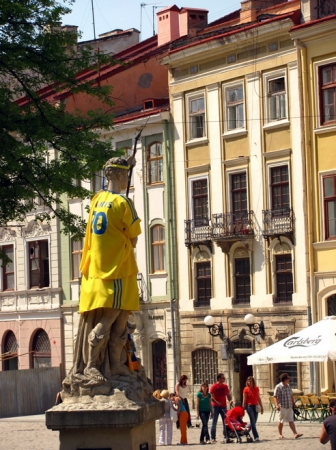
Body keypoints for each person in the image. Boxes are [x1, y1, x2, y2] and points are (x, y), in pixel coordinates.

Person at [65, 156, 142, 385]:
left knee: (119, 317)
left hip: (95, 269)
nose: (127, 177)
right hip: (117, 269)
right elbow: (134, 238)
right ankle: (92, 366)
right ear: (119, 175)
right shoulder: (124, 203)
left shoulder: (97, 199)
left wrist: (126, 163)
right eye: (126, 174)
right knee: (113, 318)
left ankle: (115, 365)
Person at [274, 373, 303, 440]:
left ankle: (295, 433)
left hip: (289, 406)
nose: (289, 379)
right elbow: (275, 397)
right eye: (288, 378)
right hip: (282, 406)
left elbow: (291, 395)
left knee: (291, 420)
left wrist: (293, 403)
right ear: (284, 379)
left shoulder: (288, 386)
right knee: (281, 421)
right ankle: (280, 434)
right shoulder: (278, 387)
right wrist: (277, 405)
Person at [209, 373, 234, 443]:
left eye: (224, 378)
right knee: (214, 422)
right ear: (219, 379)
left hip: (223, 406)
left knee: (225, 422)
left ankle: (226, 437)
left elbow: (228, 395)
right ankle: (213, 438)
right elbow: (211, 397)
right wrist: (217, 402)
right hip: (215, 406)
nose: (224, 379)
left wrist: (230, 400)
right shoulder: (214, 386)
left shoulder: (225, 386)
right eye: (223, 378)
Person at [242, 375, 263, 442]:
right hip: (249, 406)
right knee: (253, 422)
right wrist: (243, 408)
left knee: (254, 421)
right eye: (248, 381)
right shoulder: (246, 389)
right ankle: (256, 436)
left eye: (250, 381)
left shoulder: (256, 388)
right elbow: (244, 399)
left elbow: (258, 398)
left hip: (256, 406)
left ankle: (246, 430)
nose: (249, 382)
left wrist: (262, 407)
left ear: (253, 382)